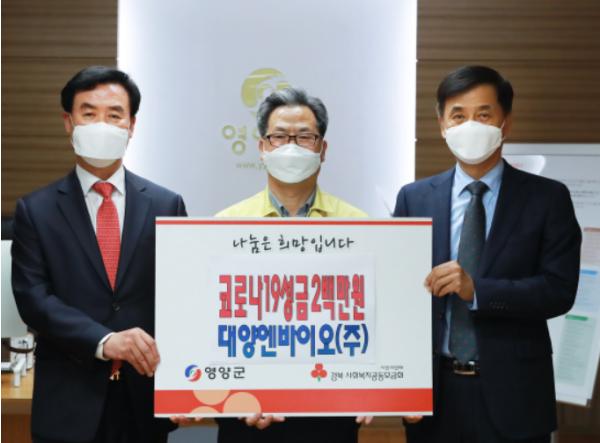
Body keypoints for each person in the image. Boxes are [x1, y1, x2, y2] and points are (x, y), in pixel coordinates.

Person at [394, 65, 581, 443]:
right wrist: (402, 383)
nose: (470, 126)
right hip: (435, 395)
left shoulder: (547, 198)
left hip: (517, 394)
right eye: (458, 116)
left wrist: (478, 290)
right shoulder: (414, 198)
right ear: (442, 125)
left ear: (505, 123)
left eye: (483, 115)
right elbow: (398, 297)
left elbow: (558, 290)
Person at [11, 66, 187, 443]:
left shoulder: (167, 204)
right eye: (89, 113)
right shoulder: (36, 210)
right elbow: (34, 299)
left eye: (114, 114)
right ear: (68, 122)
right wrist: (105, 340)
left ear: (132, 125)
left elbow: (182, 300)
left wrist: (186, 382)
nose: (102, 125)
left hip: (144, 399)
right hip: (68, 402)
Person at [216, 87, 368, 443]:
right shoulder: (225, 225)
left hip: (330, 412)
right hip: (246, 412)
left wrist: (374, 387)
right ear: (262, 147)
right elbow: (212, 326)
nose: (292, 147)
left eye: (304, 137)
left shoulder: (359, 226)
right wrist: (229, 397)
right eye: (280, 137)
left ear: (322, 149)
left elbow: (371, 320)